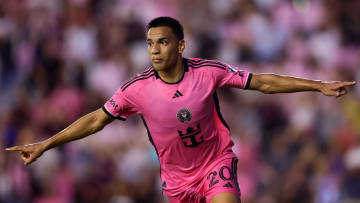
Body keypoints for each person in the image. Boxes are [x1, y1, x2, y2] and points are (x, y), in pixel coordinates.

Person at [6, 16, 356, 203]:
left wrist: (317, 85)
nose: (154, 50)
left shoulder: (208, 72)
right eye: (149, 44)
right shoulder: (136, 90)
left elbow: (262, 81)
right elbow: (97, 120)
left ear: (181, 45)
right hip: (177, 182)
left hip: (215, 164)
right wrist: (45, 144)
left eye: (162, 42)